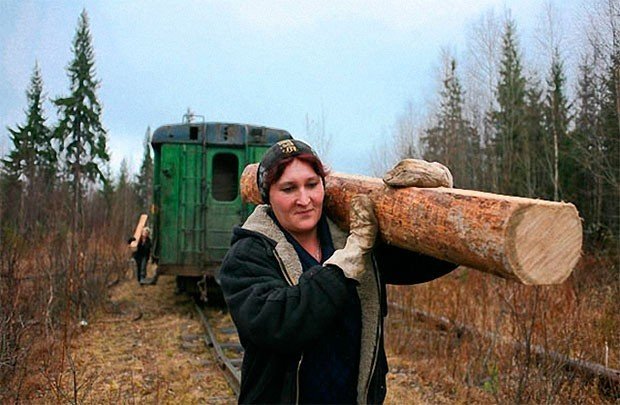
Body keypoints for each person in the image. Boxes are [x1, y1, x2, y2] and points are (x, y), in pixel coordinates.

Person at [219, 139, 457, 404]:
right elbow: (280, 324)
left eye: (312, 184)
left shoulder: (352, 237)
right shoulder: (247, 256)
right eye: (288, 189)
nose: (304, 200)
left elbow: (430, 261)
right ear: (268, 197)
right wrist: (344, 265)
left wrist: (438, 195)